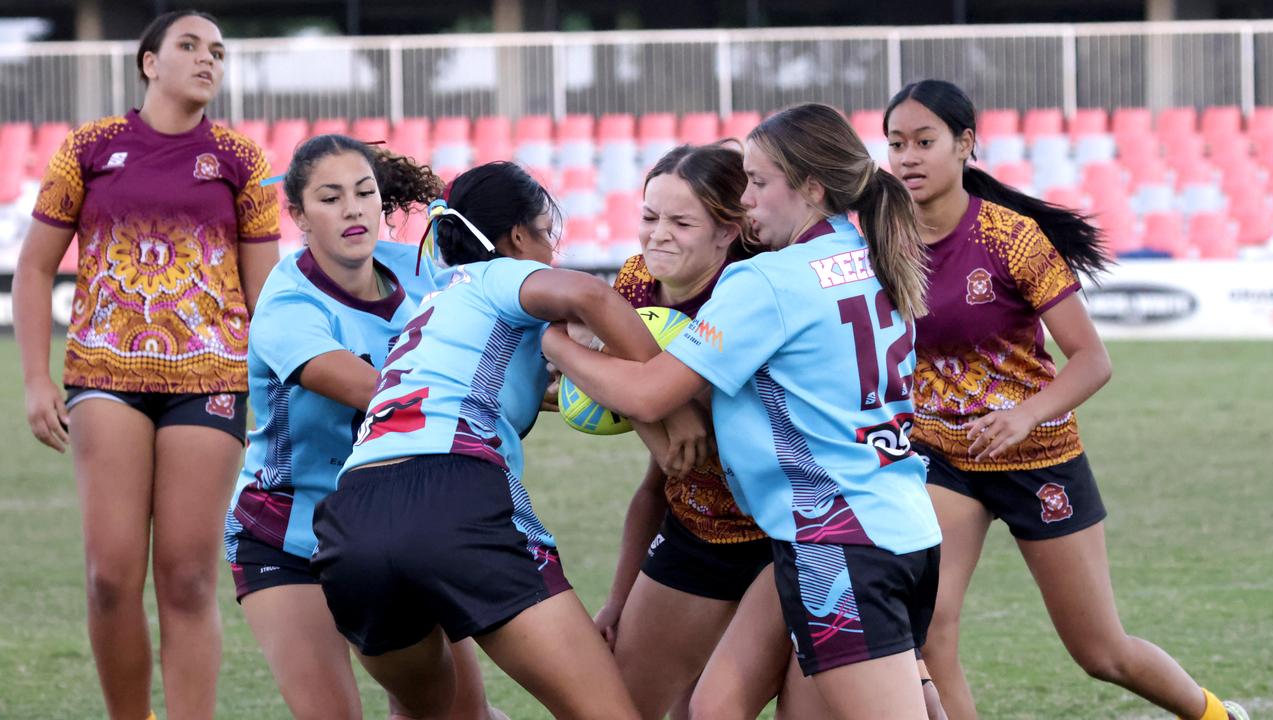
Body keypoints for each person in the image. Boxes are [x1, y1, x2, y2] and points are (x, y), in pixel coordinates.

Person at [543, 103, 942, 720]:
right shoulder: (866, 253)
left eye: (757, 182)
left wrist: (556, 345)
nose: (745, 197)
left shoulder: (766, 282)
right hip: (893, 520)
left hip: (837, 540)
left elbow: (652, 393)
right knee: (716, 707)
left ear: (810, 187)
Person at [883, 79, 1249, 720]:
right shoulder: (883, 239)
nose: (907, 156)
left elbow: (1092, 360)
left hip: (1039, 456)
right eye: (895, 144)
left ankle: (1218, 715)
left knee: (1100, 652)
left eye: (923, 141)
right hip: (944, 456)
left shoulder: (1013, 239)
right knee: (931, 629)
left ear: (966, 144)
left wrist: (1024, 416)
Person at [310, 160, 709, 720]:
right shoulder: (495, 275)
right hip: (451, 492)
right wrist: (673, 402)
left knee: (435, 715)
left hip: (352, 517)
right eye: (547, 232)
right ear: (518, 237)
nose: (552, 248)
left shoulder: (434, 306)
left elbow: (499, 394)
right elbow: (592, 298)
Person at [13, 11, 279, 720]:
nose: (206, 60)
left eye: (217, 51)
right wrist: (37, 378)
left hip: (212, 380)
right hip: (103, 376)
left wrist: (281, 390)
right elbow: (35, 271)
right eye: (188, 46)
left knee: (189, 579)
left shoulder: (241, 160)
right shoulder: (89, 149)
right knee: (109, 576)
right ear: (148, 63)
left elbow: (268, 297)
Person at [224, 134, 502, 720]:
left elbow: (493, 333)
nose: (352, 209)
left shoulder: (423, 270)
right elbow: (381, 394)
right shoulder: (286, 306)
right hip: (289, 538)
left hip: (402, 525)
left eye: (363, 192)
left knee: (457, 715)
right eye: (330, 198)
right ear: (297, 215)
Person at [592, 143, 771, 720]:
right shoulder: (637, 282)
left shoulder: (753, 290)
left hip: (790, 537)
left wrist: (659, 400)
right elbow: (663, 469)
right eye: (649, 217)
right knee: (620, 705)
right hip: (698, 529)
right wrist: (619, 600)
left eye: (681, 221)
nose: (657, 236)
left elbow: (635, 389)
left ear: (728, 231)